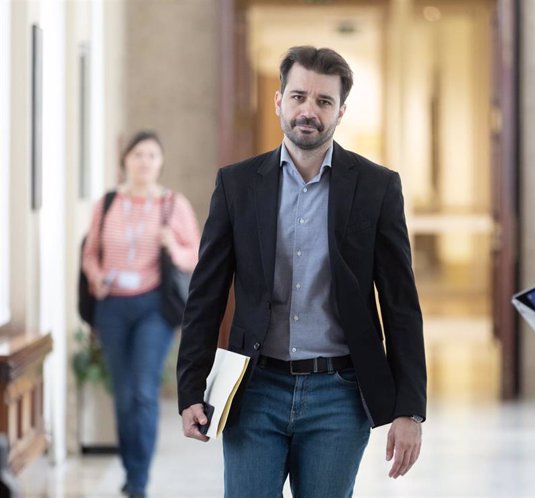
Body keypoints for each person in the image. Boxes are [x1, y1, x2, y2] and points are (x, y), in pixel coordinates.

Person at [177, 46, 427, 497]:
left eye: (323, 101)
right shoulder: (236, 185)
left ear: (341, 111)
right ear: (279, 101)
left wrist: (410, 409)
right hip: (253, 390)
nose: (308, 111)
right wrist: (191, 389)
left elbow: (401, 306)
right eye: (298, 97)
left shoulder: (376, 187)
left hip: (339, 395)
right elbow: (206, 297)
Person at [82, 130, 200, 498]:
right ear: (125, 161)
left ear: (160, 162)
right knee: (122, 393)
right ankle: (132, 467)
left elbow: (196, 253)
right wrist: (96, 277)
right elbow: (89, 252)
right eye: (138, 155)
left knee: (143, 391)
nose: (144, 162)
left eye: (151, 155)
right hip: (112, 306)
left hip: (153, 306)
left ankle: (139, 481)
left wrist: (172, 246)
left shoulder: (172, 204)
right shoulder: (107, 203)